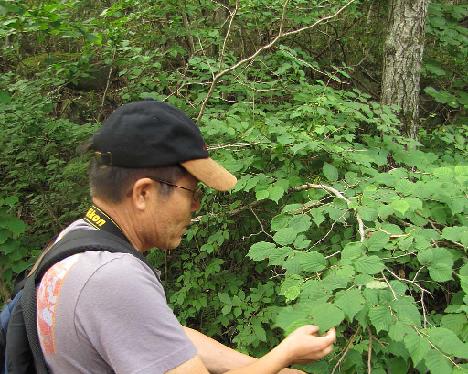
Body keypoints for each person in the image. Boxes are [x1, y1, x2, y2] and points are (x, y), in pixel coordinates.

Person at [35, 100, 336, 373]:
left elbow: (165, 338)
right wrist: (283, 355)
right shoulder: (114, 278)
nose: (196, 205)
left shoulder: (76, 241)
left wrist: (265, 366)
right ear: (143, 193)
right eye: (191, 191)